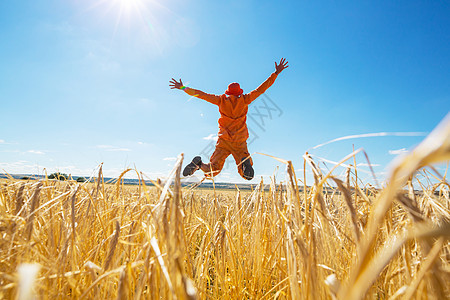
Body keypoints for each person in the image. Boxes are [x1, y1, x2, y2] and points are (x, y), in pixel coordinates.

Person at [169, 58, 289, 180]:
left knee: (213, 169)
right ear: (239, 92)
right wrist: (275, 74)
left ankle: (199, 165)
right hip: (239, 141)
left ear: (228, 93)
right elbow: (261, 89)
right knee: (246, 175)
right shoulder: (245, 99)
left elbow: (201, 95)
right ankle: (244, 164)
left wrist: (183, 87)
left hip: (223, 140)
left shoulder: (221, 100)